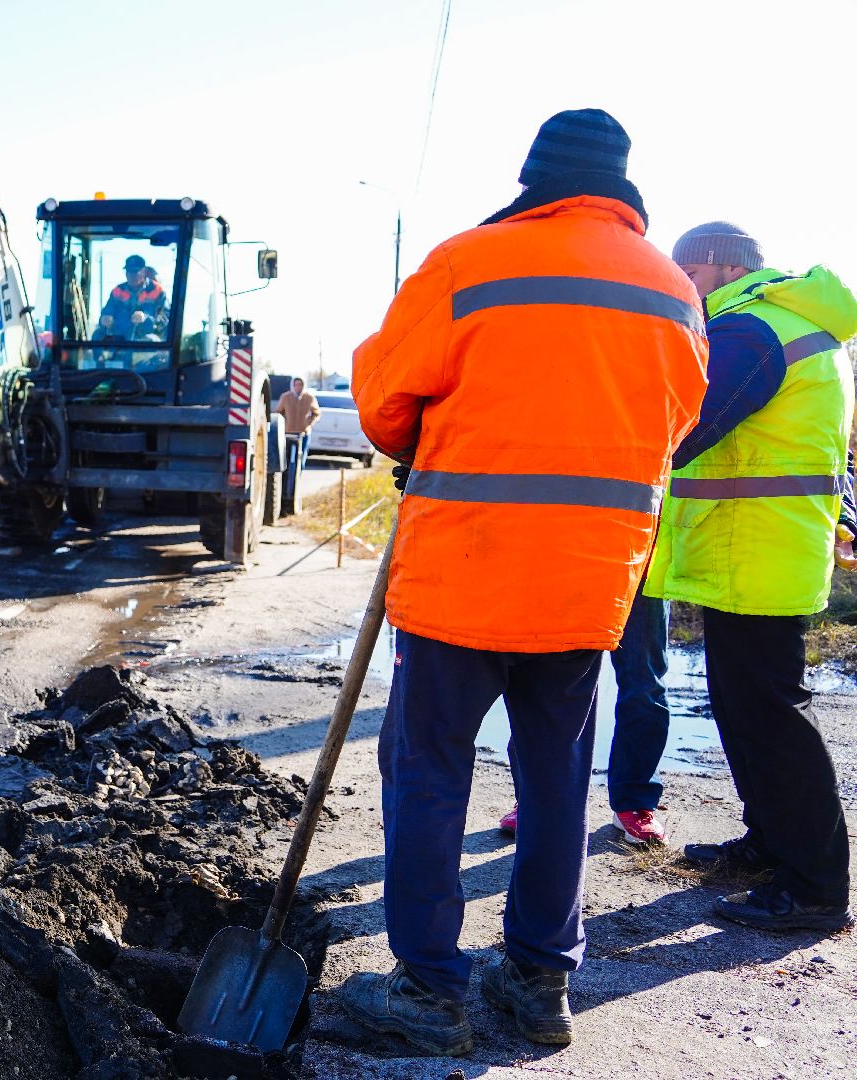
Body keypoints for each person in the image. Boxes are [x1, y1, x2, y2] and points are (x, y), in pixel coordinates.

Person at [337, 108, 708, 1056]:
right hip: (588, 584)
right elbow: (677, 427)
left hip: (465, 570)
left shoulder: (470, 262)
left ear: (533, 175)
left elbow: (384, 408)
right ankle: (541, 981)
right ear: (622, 185)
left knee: (428, 773)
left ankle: (430, 987)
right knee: (557, 774)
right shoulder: (672, 290)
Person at [645, 221, 857, 933]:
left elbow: (687, 425)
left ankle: (815, 887)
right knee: (746, 710)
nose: (681, 290)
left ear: (716, 267)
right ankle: (770, 845)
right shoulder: (787, 324)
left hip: (756, 552)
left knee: (769, 717)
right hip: (758, 550)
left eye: (685, 275)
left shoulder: (750, 329)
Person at [496, 579, 674, 845]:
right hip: (575, 556)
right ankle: (533, 799)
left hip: (641, 560)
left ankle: (635, 802)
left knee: (645, 684)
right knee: (545, 679)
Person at [97, 255, 168, 340]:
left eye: (135, 272)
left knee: (150, 340)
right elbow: (107, 311)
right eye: (128, 272)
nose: (131, 275)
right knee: (97, 335)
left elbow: (165, 319)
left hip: (145, 336)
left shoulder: (157, 291)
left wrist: (145, 318)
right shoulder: (118, 291)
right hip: (119, 336)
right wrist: (104, 319)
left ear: (144, 272)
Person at [275, 376, 321, 463]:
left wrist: (308, 423)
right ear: (293, 385)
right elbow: (278, 412)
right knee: (287, 458)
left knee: (301, 458)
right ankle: (288, 476)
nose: (298, 387)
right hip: (288, 432)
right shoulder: (285, 397)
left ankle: (298, 474)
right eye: (296, 385)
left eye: (300, 385)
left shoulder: (309, 397)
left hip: (303, 432)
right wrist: (284, 423)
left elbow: (317, 413)